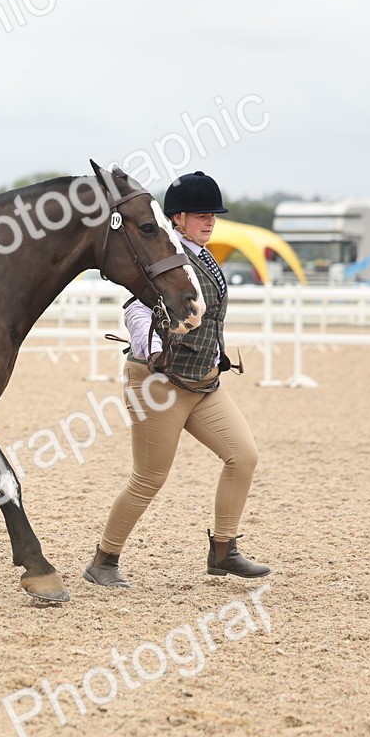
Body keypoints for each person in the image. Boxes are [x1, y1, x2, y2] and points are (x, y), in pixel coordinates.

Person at [84, 171, 269, 588]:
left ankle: (223, 551)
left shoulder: (204, 256)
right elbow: (135, 308)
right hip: (159, 385)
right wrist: (150, 347)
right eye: (201, 215)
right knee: (149, 478)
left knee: (243, 456)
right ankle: (104, 560)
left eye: (213, 215)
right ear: (178, 218)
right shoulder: (167, 256)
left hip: (203, 382)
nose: (210, 222)